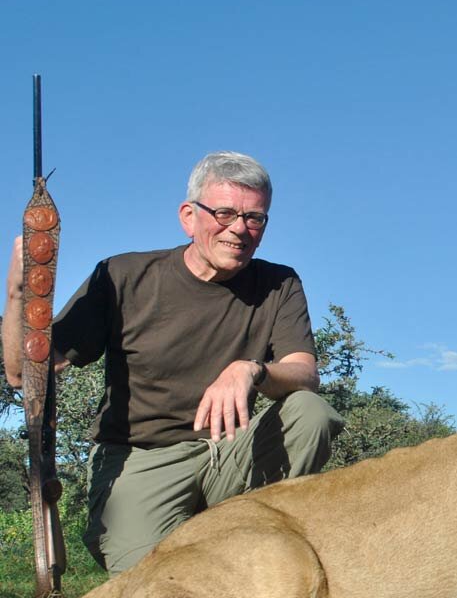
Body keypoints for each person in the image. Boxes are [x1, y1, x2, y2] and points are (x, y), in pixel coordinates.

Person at [3, 151, 343, 574]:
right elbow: (23, 372)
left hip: (231, 454)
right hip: (142, 457)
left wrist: (251, 369)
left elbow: (304, 373)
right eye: (224, 213)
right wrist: (19, 295)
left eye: (254, 218)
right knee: (152, 584)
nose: (239, 229)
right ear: (189, 216)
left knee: (310, 412)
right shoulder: (122, 275)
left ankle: (257, 541)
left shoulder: (280, 283)